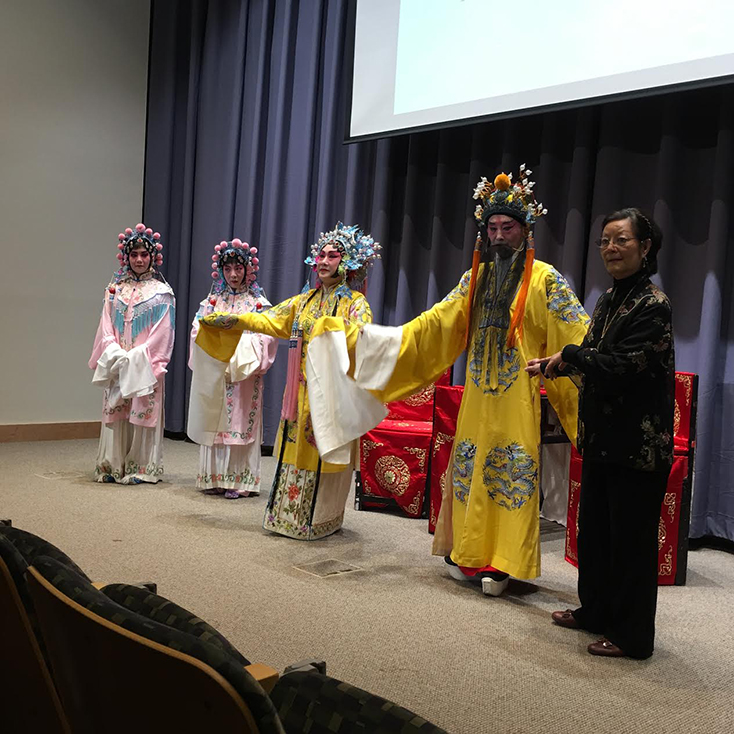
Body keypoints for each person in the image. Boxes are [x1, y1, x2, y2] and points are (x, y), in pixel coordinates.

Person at [351, 167, 589, 595]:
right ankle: (466, 552)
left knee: (510, 470)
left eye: (508, 227)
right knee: (468, 467)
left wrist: (573, 361)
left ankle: (503, 562)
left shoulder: (546, 279)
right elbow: (438, 323)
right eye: (492, 227)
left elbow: (577, 335)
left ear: (525, 230)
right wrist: (382, 341)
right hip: (479, 393)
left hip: (516, 395)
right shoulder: (474, 278)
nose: (498, 236)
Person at [530, 208, 674, 659]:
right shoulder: (610, 299)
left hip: (638, 444)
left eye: (622, 240)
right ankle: (594, 610)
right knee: (594, 534)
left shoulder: (654, 305)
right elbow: (595, 353)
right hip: (602, 437)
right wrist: (561, 360)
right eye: (605, 241)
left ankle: (633, 637)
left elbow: (623, 367)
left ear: (646, 247)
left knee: (630, 544)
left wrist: (572, 354)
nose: (611, 249)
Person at [200, 222, 380, 539]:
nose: (323, 261)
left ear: (348, 262)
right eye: (321, 255)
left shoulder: (354, 303)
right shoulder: (303, 302)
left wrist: (333, 332)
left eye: (333, 256)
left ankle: (320, 519)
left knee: (320, 449)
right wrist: (232, 320)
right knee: (296, 447)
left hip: (331, 393)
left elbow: (362, 335)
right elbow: (267, 320)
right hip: (299, 392)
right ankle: (287, 516)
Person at [188, 238, 278, 498]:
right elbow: (197, 332)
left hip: (243, 375)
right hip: (218, 371)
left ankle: (239, 480)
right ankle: (214, 477)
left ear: (249, 270)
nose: (233, 274)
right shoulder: (212, 303)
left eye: (238, 268)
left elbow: (267, 336)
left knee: (240, 420)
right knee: (217, 419)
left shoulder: (258, 303)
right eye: (228, 269)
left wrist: (241, 349)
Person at [89, 224, 175, 484]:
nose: (139, 259)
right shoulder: (114, 290)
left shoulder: (162, 293)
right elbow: (105, 326)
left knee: (142, 412)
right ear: (126, 257)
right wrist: (113, 352)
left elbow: (163, 334)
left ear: (153, 257)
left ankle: (142, 468)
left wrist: (138, 356)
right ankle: (111, 466)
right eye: (134, 254)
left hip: (143, 363)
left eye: (144, 254)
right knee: (116, 409)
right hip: (117, 359)